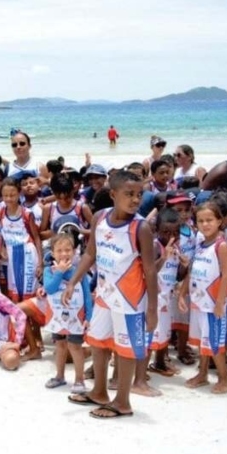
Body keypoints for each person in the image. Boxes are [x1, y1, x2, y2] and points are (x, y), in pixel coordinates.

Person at [62, 170, 158, 419]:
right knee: (97, 341)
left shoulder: (141, 228)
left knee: (125, 351)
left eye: (139, 194)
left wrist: (152, 310)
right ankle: (99, 392)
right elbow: (90, 253)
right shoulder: (99, 218)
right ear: (113, 194)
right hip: (105, 295)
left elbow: (150, 270)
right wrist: (73, 281)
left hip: (130, 301)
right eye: (129, 194)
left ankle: (123, 401)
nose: (135, 199)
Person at [182, 200, 227, 394]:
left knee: (215, 344)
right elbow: (193, 271)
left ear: (219, 221)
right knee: (203, 342)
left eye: (209, 220)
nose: (205, 224)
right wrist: (183, 294)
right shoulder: (201, 244)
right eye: (201, 221)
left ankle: (223, 378)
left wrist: (220, 302)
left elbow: (226, 275)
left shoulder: (222, 246)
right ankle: (202, 373)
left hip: (214, 304)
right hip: (199, 302)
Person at [42, 233, 91, 393]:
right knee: (60, 345)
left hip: (76, 317)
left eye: (68, 250)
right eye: (59, 250)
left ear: (74, 251)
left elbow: (86, 295)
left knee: (75, 346)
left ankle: (79, 380)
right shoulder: (49, 271)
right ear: (53, 252)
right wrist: (59, 272)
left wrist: (89, 316)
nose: (64, 254)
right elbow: (50, 288)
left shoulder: (79, 272)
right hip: (57, 317)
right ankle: (59, 376)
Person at [148, 208, 186, 378]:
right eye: (166, 232)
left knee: (164, 332)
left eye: (175, 232)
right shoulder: (155, 246)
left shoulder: (177, 248)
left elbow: (178, 275)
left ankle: (160, 362)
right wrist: (164, 257)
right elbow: (149, 271)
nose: (171, 236)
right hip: (154, 298)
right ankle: (141, 370)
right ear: (157, 230)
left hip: (167, 298)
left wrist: (185, 265)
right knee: (151, 335)